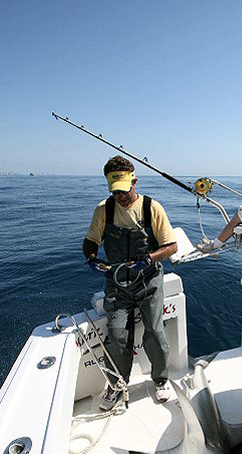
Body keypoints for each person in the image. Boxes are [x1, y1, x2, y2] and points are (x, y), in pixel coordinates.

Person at [83, 155, 177, 409]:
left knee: (155, 332)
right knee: (116, 335)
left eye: (125, 190)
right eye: (116, 192)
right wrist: (91, 257)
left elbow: (171, 246)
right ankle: (117, 385)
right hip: (117, 285)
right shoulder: (103, 210)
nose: (121, 197)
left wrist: (148, 258)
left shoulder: (151, 208)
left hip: (148, 282)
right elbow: (91, 241)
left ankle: (160, 380)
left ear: (134, 181)